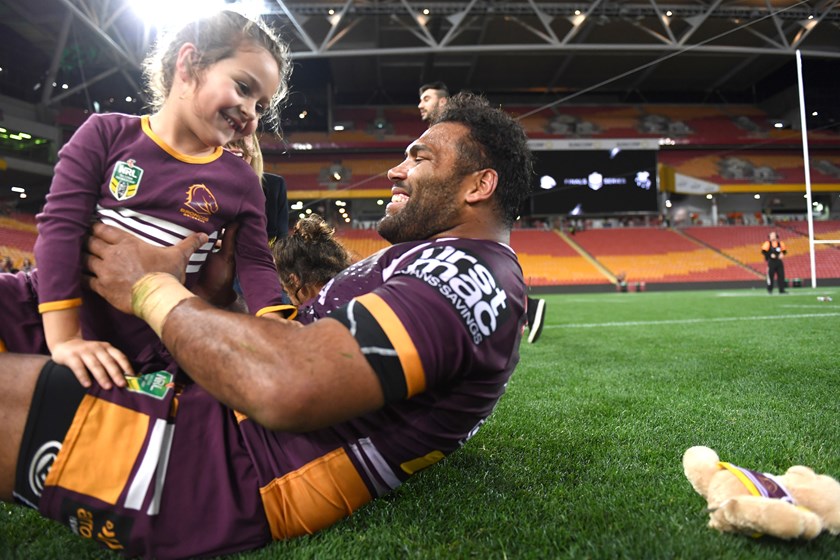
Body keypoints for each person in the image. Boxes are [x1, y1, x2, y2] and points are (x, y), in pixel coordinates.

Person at [0, 92, 533, 558]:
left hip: (221, 465)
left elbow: (291, 384)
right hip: (214, 409)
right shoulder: (437, 259)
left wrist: (150, 287)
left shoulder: (471, 275)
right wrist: (217, 301)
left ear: (479, 185)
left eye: (419, 158)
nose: (396, 170)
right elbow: (295, 345)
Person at [27, 10, 292, 387]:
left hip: (152, 347)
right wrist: (66, 338)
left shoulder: (242, 180)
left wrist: (274, 327)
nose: (250, 112)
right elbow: (60, 228)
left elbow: (256, 262)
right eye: (244, 87)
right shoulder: (104, 134)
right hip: (54, 317)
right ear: (189, 63)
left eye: (261, 106)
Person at [419, 81, 546, 343]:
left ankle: (524, 306)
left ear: (443, 102)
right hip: (461, 202)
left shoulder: (463, 131)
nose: (421, 104)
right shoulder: (436, 134)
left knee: (471, 257)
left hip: (475, 202)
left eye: (427, 98)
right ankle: (525, 307)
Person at [274, 214, 353, 305]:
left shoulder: (310, 313)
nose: (290, 298)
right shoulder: (359, 296)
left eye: (287, 292)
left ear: (295, 280)